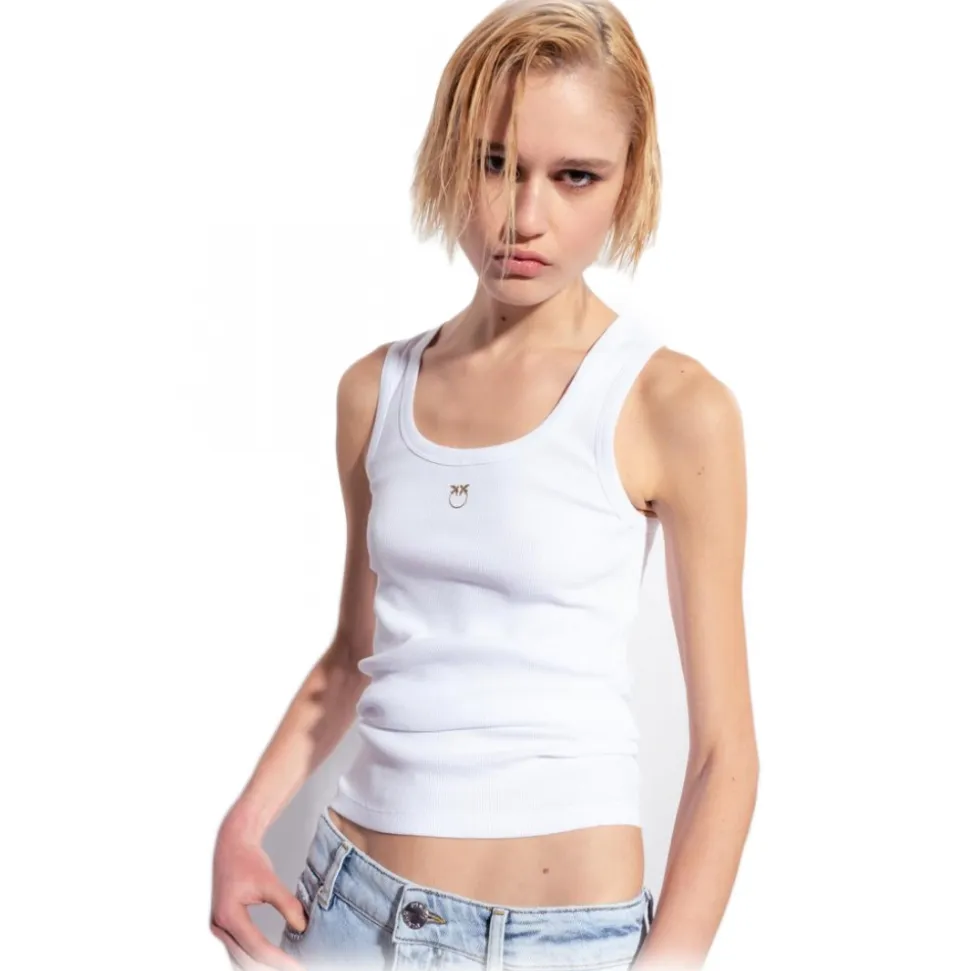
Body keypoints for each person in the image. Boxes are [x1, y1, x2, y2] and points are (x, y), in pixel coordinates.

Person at [209, 1, 758, 969]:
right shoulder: (374, 391)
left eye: (574, 176)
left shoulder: (673, 404)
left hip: (570, 941)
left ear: (630, 177)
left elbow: (725, 751)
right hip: (350, 911)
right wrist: (241, 828)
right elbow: (352, 655)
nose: (523, 216)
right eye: (493, 162)